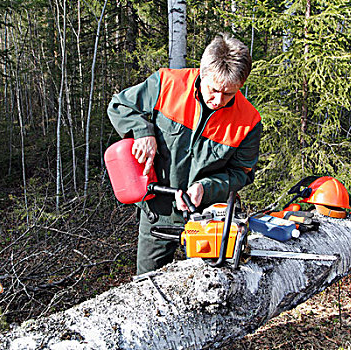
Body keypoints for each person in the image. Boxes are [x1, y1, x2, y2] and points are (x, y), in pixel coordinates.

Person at [108, 33, 262, 275]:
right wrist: (142, 132)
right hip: (158, 211)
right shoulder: (167, 84)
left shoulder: (249, 121)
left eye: (229, 94)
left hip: (210, 217)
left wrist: (206, 187)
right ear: (202, 72)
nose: (218, 100)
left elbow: (241, 173)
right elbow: (119, 106)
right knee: (148, 286)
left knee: (215, 287)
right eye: (213, 90)